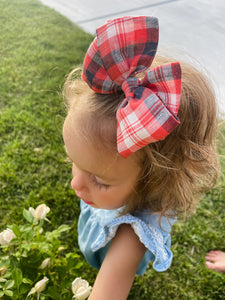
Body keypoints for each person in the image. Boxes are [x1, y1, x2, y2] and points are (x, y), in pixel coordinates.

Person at [62, 16, 218, 300]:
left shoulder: (132, 236)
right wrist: (96, 179)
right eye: (76, 162)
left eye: (99, 180)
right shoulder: (109, 174)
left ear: (151, 180)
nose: (76, 184)